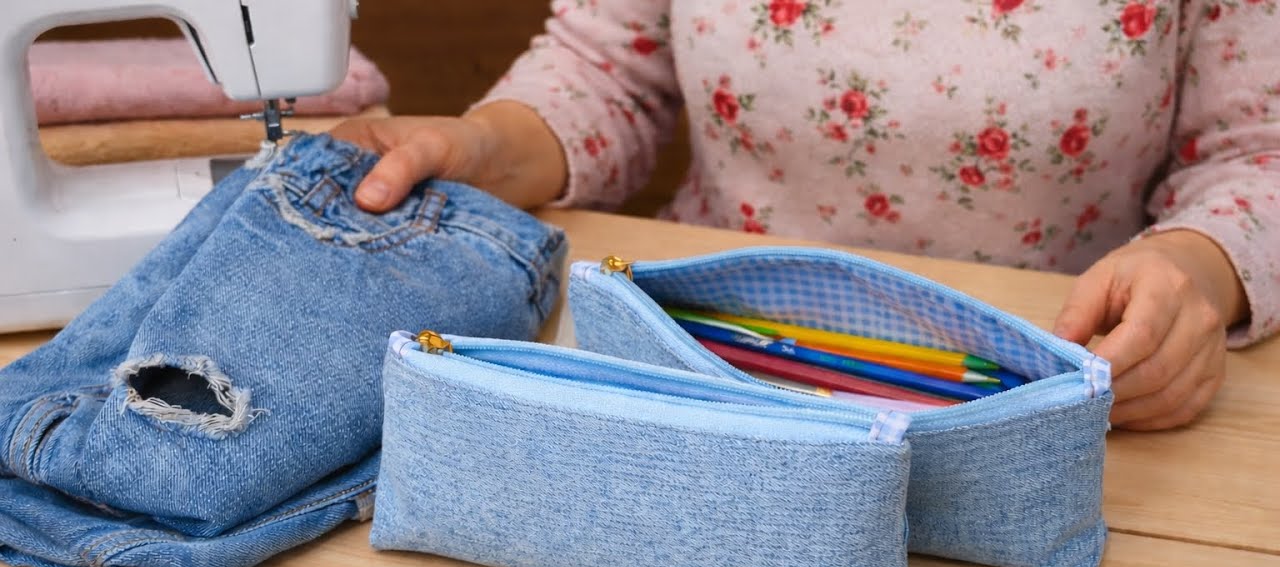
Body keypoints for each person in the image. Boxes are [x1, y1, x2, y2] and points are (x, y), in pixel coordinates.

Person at [331, 1, 1279, 431]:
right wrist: (484, 146)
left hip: (1031, 391)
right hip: (707, 369)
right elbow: (606, 68)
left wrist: (1197, 270)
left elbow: (1258, 148)